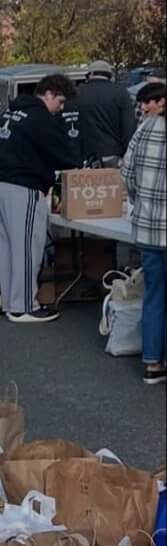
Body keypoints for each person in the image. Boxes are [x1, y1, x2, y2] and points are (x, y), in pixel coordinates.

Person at [0, 74, 81, 324]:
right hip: (21, 185)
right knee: (27, 247)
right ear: (48, 93)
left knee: (6, 248)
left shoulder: (10, 112)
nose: (60, 110)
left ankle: (11, 302)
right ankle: (25, 305)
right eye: (60, 102)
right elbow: (64, 155)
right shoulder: (39, 117)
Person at [121, 81, 166, 384]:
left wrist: (140, 200)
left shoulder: (145, 129)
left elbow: (126, 171)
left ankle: (152, 362)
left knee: (154, 295)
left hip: (149, 228)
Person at [77, 60, 137, 166]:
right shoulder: (121, 93)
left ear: (90, 74)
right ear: (110, 75)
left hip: (84, 154)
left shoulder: (78, 93)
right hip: (113, 154)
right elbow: (129, 127)